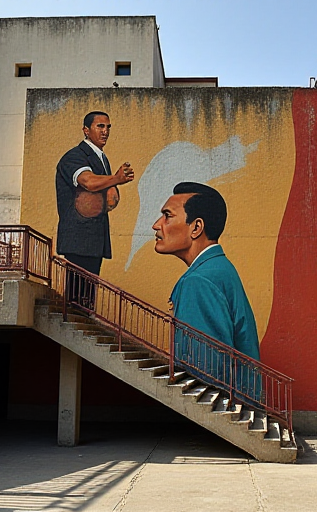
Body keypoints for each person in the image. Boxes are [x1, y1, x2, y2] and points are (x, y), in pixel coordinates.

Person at [152, 182, 261, 401]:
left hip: (222, 412)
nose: (156, 225)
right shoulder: (219, 268)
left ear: (196, 227)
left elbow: (205, 369)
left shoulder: (199, 280)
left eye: (167, 216)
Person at [55, 111, 134, 307]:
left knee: (87, 298)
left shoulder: (101, 158)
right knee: (76, 298)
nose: (105, 131)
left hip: (94, 238)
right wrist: (116, 179)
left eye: (108, 127)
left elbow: (102, 192)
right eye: (100, 126)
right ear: (86, 130)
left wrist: (111, 194)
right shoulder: (74, 156)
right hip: (79, 236)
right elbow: (88, 181)